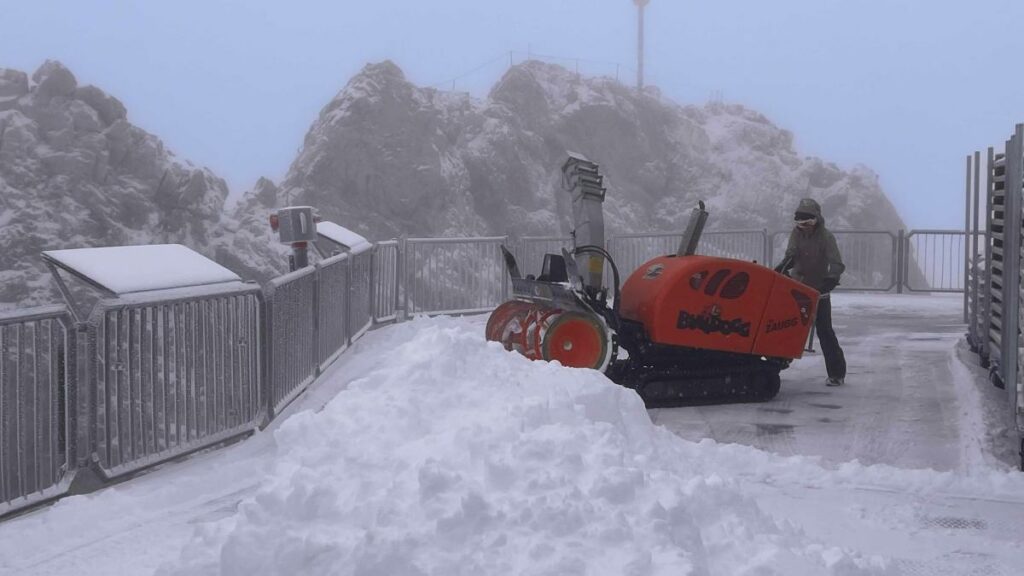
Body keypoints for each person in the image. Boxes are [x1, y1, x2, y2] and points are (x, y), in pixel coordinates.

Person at [775, 198, 847, 386]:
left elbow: (836, 262)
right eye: (800, 223)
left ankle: (837, 372)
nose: (804, 227)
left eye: (808, 222)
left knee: (824, 331)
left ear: (817, 220)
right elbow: (791, 254)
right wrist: (784, 265)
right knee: (784, 325)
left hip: (819, 288)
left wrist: (831, 280)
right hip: (798, 287)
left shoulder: (826, 237)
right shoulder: (796, 234)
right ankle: (773, 364)